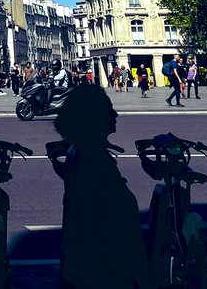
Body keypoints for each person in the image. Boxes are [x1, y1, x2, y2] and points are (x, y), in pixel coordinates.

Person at [52, 84, 151, 289]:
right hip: (104, 272)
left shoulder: (80, 151)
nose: (115, 114)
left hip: (85, 268)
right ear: (92, 117)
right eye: (108, 109)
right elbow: (111, 224)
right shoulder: (94, 160)